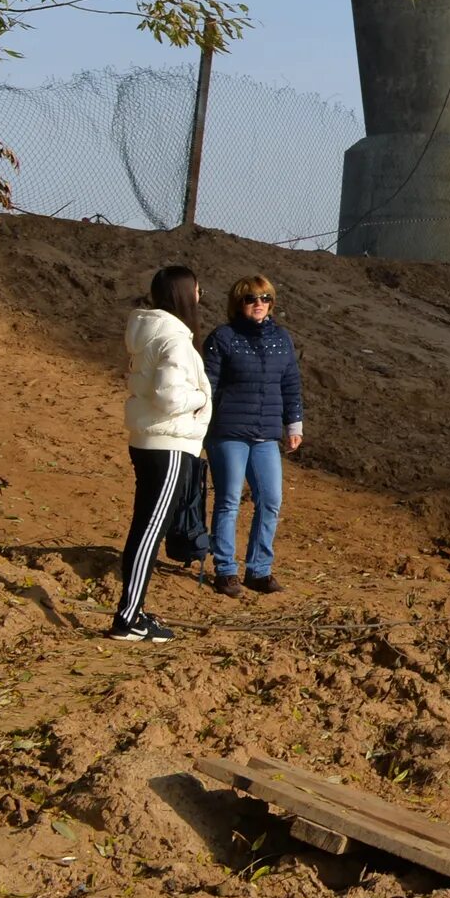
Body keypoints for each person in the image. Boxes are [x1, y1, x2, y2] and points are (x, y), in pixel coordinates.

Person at [114, 266, 212, 642]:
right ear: (186, 293)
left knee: (144, 527)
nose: (200, 295)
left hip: (148, 440)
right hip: (168, 444)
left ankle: (132, 612)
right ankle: (128, 618)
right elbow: (169, 396)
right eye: (197, 289)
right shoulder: (174, 338)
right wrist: (201, 398)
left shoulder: (151, 332)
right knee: (150, 531)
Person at [200, 273, 303, 597]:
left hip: (265, 434)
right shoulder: (223, 337)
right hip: (228, 431)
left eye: (265, 298)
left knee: (270, 500)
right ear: (238, 303)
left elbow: (290, 383)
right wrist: (199, 423)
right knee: (229, 500)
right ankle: (226, 570)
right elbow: (207, 383)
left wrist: (294, 425)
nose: (259, 304)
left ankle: (259, 570)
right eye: (251, 299)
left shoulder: (281, 339)